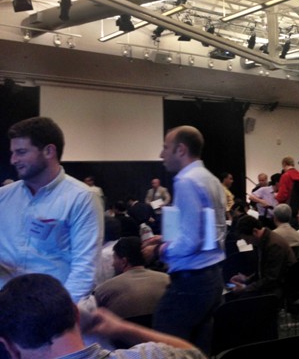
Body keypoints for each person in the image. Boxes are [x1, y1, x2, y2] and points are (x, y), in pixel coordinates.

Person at [142, 125, 227, 353]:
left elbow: (190, 242)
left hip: (191, 282)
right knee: (197, 351)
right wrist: (165, 238)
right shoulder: (211, 179)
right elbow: (208, 230)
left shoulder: (186, 181)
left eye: (165, 147)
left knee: (167, 350)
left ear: (180, 150)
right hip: (212, 278)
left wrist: (159, 250)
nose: (161, 154)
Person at [0, 116, 103, 302]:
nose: (13, 160)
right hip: (6, 305)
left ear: (49, 151)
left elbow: (85, 269)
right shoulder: (4, 196)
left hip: (51, 307)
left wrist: (61, 312)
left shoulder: (81, 198)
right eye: (13, 153)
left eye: (21, 152)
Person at [0, 273, 205, 359]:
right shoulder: (150, 355)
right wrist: (124, 328)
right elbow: (193, 353)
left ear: (9, 347)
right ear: (76, 314)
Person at [94, 236, 170, 321]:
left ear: (124, 261)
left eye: (114, 258)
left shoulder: (103, 291)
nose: (113, 264)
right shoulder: (167, 280)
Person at [229, 215, 296, 301]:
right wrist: (247, 279)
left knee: (241, 300)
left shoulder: (274, 245)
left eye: (247, 239)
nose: (247, 243)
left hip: (281, 287)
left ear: (255, 231)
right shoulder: (265, 241)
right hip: (274, 283)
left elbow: (271, 279)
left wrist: (246, 288)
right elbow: (265, 272)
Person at [275, 156, 299, 225]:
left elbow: (282, 196)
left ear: (284, 164)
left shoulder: (285, 176)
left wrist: (276, 196)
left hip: (287, 212)